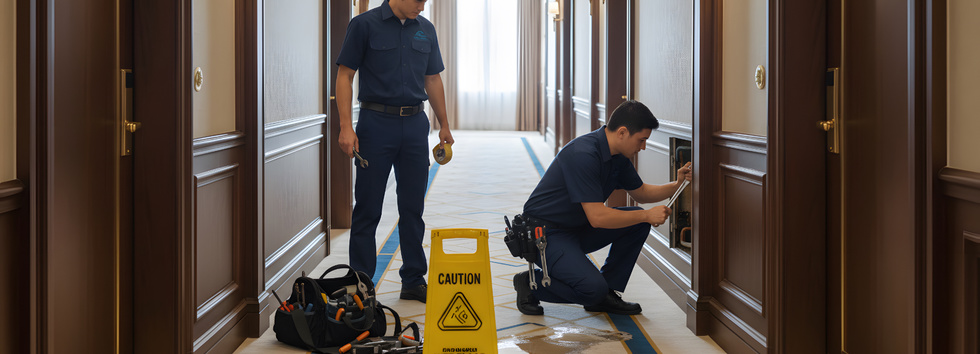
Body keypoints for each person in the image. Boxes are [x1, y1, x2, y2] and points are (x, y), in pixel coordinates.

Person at [513, 100, 692, 315]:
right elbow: (598, 217)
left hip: (577, 228)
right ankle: (531, 283)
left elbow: (641, 192)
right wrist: (647, 215)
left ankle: (605, 293)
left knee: (636, 222)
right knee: (593, 288)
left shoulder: (617, 156)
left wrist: (677, 184)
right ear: (623, 132)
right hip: (546, 234)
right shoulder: (583, 154)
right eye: (641, 140)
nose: (643, 147)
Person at [336, 0, 454, 303]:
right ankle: (361, 286)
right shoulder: (364, 25)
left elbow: (432, 79)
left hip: (416, 124)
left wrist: (444, 124)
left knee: (413, 207)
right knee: (368, 208)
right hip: (376, 125)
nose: (422, 6)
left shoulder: (425, 30)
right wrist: (346, 126)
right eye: (418, 1)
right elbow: (345, 75)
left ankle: (413, 279)